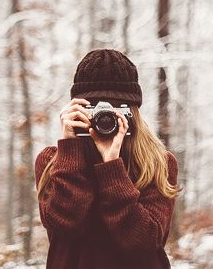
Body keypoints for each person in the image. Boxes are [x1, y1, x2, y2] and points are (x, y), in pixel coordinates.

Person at [34, 49, 180, 268]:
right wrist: (71, 150)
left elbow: (146, 243)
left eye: (114, 109)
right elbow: (65, 226)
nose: (104, 117)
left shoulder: (158, 163)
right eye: (94, 108)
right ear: (77, 109)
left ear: (131, 112)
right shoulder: (53, 161)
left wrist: (112, 169)